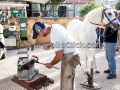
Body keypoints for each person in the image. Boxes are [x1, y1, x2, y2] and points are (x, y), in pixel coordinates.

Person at [32, 21, 80, 90]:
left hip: (70, 57)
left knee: (66, 84)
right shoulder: (55, 26)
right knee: (68, 81)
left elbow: (59, 56)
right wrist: (50, 45)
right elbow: (62, 40)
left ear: (43, 29)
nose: (39, 36)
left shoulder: (54, 35)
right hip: (72, 55)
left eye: (38, 34)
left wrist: (51, 64)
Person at [103, 11, 118, 79]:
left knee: (111, 58)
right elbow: (103, 25)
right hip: (107, 42)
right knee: (108, 57)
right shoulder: (110, 23)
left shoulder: (115, 23)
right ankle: (110, 69)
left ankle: (113, 73)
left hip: (111, 42)